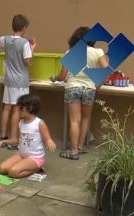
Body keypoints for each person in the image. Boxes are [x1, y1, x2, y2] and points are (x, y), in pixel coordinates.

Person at [53, 26, 109, 160]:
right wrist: (98, 85)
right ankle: (80, 147)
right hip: (89, 88)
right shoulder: (98, 52)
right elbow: (107, 70)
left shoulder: (71, 52)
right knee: (85, 118)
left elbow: (62, 76)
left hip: (73, 87)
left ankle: (72, 152)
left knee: (74, 120)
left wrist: (55, 78)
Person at [0, 14, 36, 150]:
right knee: (17, 109)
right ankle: (14, 140)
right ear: (24, 27)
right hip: (20, 81)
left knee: (7, 107)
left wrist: (24, 38)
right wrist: (32, 49)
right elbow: (27, 62)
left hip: (8, 80)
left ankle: (3, 137)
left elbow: (1, 39)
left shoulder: (6, 40)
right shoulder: (25, 43)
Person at [0, 94, 56, 178]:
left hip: (35, 158)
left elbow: (48, 139)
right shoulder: (21, 122)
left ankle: (37, 169)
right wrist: (3, 141)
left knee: (13, 172)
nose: (18, 111)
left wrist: (50, 142)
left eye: (21, 109)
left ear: (30, 108)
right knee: (1, 169)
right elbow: (17, 140)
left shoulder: (39, 123)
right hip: (22, 155)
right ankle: (23, 165)